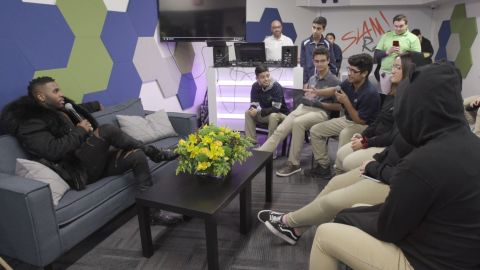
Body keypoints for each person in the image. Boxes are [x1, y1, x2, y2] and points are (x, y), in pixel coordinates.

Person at [310, 62, 480, 270]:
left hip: (426, 261)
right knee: (355, 210)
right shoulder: (471, 144)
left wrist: (346, 217)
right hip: (461, 253)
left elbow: (388, 229)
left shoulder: (420, 163)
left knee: (325, 234)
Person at [0, 76, 181, 225]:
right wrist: (80, 130)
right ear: (40, 97)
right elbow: (52, 151)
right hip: (76, 172)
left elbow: (78, 110)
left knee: (137, 156)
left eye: (60, 90)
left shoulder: (61, 110)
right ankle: (156, 153)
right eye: (55, 91)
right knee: (107, 130)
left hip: (93, 163)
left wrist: (94, 106)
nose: (61, 94)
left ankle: (152, 214)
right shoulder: (30, 122)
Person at [257, 47, 340, 176]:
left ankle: (293, 163)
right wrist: (305, 97)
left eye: (322, 61)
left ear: (328, 61)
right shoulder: (312, 78)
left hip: (321, 112)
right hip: (305, 107)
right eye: (317, 61)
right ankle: (261, 155)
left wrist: (319, 103)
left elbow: (339, 107)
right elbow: (309, 96)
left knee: (298, 123)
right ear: (313, 61)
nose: (319, 64)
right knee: (282, 128)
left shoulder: (334, 81)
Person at [335, 53, 412, 174]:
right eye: (393, 66)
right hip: (374, 139)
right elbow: (378, 121)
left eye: (398, 67)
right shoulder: (392, 94)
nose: (392, 71)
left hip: (386, 147)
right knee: (340, 154)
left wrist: (366, 142)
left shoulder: (407, 100)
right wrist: (364, 136)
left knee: (347, 161)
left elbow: (392, 136)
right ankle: (339, 179)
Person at [305, 53, 381, 178]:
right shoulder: (350, 82)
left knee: (345, 133)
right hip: (347, 119)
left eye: (354, 71)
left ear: (364, 73)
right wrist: (316, 92)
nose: (349, 73)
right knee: (315, 130)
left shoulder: (370, 93)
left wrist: (346, 101)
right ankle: (323, 166)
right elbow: (335, 89)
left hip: (364, 125)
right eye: (349, 69)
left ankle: (340, 172)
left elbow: (359, 120)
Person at [374, 14, 420, 94]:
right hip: (386, 73)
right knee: (386, 97)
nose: (398, 29)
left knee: (402, 96)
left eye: (401, 26)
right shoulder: (386, 36)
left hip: (404, 74)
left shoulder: (413, 38)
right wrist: (387, 52)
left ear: (406, 25)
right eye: (396, 26)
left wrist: (403, 53)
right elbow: (376, 55)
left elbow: (418, 58)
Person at [244, 65, 289, 145]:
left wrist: (260, 111)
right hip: (267, 114)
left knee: (273, 116)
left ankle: (270, 148)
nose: (266, 79)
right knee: (248, 113)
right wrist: (252, 109)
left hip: (281, 115)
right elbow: (254, 103)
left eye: (267, 76)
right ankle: (251, 143)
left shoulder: (276, 86)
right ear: (257, 78)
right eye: (262, 77)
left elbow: (276, 108)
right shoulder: (255, 86)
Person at [300, 16, 337, 85]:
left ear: (323, 29)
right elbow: (303, 64)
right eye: (313, 27)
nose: (315, 31)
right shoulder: (305, 43)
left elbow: (332, 65)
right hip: (308, 81)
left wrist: (330, 81)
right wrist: (305, 82)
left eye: (318, 28)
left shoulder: (328, 44)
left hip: (324, 81)